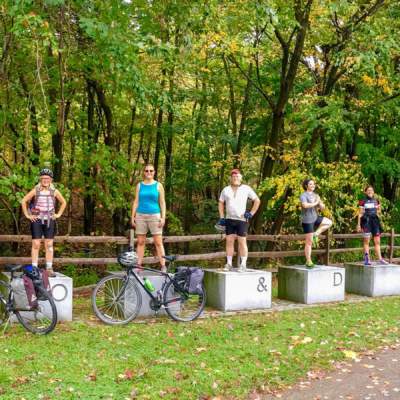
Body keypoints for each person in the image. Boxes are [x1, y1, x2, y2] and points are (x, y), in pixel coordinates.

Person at [21, 168, 67, 277]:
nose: (45, 180)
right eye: (43, 178)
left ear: (51, 179)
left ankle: (49, 268)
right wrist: (28, 215)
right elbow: (24, 200)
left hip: (49, 219)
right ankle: (34, 268)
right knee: (36, 244)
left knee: (49, 244)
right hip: (37, 219)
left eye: (47, 178)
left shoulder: (54, 191)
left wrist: (58, 214)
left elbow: (64, 202)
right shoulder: (36, 190)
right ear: (40, 179)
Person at [218, 169, 260, 272]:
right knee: (229, 241)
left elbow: (257, 200)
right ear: (231, 179)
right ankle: (229, 264)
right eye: (233, 177)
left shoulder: (246, 188)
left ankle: (243, 264)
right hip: (229, 219)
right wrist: (221, 216)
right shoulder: (226, 190)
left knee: (242, 241)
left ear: (240, 178)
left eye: (237, 177)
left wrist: (251, 213)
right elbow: (220, 202)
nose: (235, 178)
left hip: (242, 219)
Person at [131, 164, 167, 272]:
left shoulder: (158, 185)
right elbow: (136, 201)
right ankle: (138, 265)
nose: (149, 173)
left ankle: (163, 266)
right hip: (140, 215)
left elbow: (162, 202)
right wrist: (132, 216)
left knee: (158, 242)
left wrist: (163, 217)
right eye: (147, 171)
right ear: (144, 172)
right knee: (141, 242)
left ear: (154, 172)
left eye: (151, 171)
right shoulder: (139, 185)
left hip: (154, 215)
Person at [300, 179, 332, 268]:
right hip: (307, 220)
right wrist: (316, 202)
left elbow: (322, 208)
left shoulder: (316, 195)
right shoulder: (303, 195)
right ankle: (308, 261)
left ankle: (316, 234)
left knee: (329, 222)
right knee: (309, 242)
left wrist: (321, 204)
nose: (313, 185)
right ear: (306, 186)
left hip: (315, 217)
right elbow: (305, 205)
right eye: (311, 184)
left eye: (313, 184)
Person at [357, 185, 388, 265]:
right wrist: (358, 224)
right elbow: (360, 213)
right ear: (365, 192)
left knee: (377, 241)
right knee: (366, 240)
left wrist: (379, 211)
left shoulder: (376, 201)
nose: (370, 191)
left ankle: (380, 259)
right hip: (366, 222)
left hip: (375, 222)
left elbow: (378, 211)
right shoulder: (362, 201)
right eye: (368, 190)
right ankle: (367, 259)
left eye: (371, 190)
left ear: (373, 192)